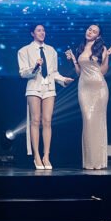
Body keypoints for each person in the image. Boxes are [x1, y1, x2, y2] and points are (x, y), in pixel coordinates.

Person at [17, 23, 74, 170]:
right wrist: (35, 67)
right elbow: (23, 73)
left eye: (43, 30)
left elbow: (54, 72)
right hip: (34, 87)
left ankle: (46, 156)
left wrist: (63, 80)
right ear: (32, 33)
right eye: (39, 30)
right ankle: (36, 156)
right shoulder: (24, 51)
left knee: (47, 121)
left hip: (49, 88)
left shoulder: (51, 50)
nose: (42, 33)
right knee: (35, 120)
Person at [65, 24, 111, 170]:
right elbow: (79, 72)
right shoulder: (80, 48)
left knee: (98, 123)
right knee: (87, 121)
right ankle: (89, 161)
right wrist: (74, 60)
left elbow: (103, 71)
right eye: (89, 29)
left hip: (99, 88)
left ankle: (99, 162)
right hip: (84, 88)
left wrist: (107, 56)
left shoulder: (101, 48)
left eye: (94, 31)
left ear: (98, 36)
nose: (90, 32)